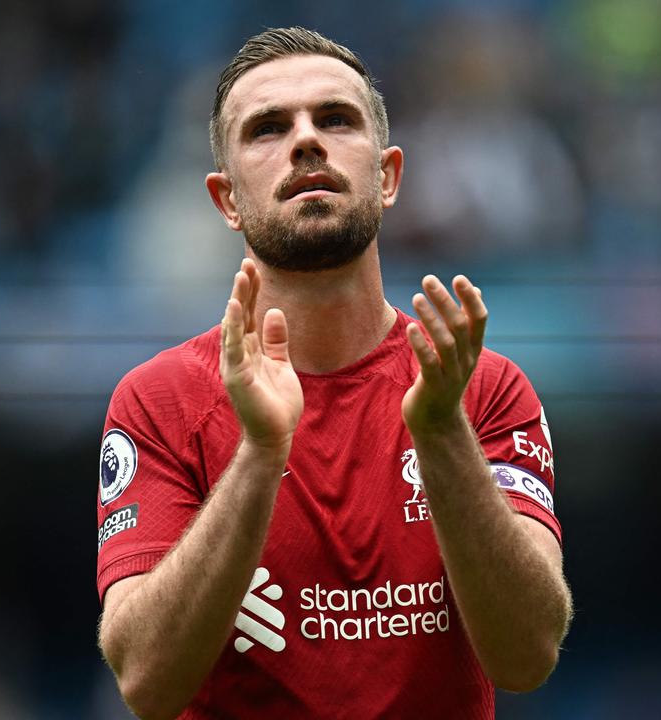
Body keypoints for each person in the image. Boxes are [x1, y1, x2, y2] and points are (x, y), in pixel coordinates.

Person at [95, 27, 572, 719]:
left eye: (336, 119)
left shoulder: (481, 388)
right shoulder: (160, 401)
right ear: (226, 200)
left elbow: (527, 656)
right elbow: (146, 682)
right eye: (267, 128)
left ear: (388, 176)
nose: (306, 141)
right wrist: (260, 455)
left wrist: (440, 432)